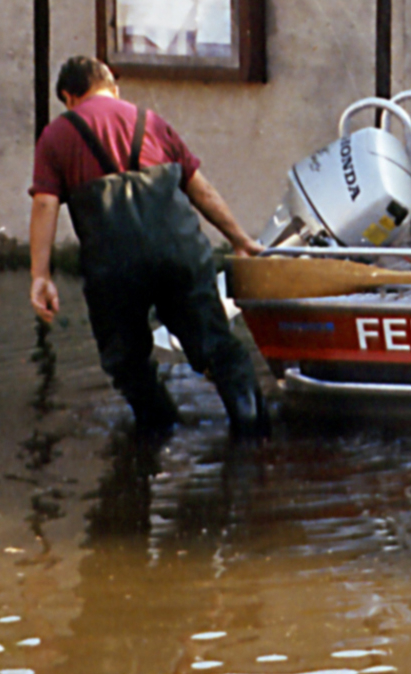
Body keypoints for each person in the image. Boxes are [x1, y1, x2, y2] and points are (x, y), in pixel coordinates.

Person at [29, 56, 267, 436]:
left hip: (115, 267)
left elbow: (45, 204)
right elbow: (199, 189)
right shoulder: (152, 122)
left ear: (69, 97)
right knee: (218, 348)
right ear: (112, 86)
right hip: (180, 252)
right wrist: (240, 239)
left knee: (128, 362)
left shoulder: (57, 135)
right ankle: (254, 437)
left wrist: (41, 275)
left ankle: (158, 436)